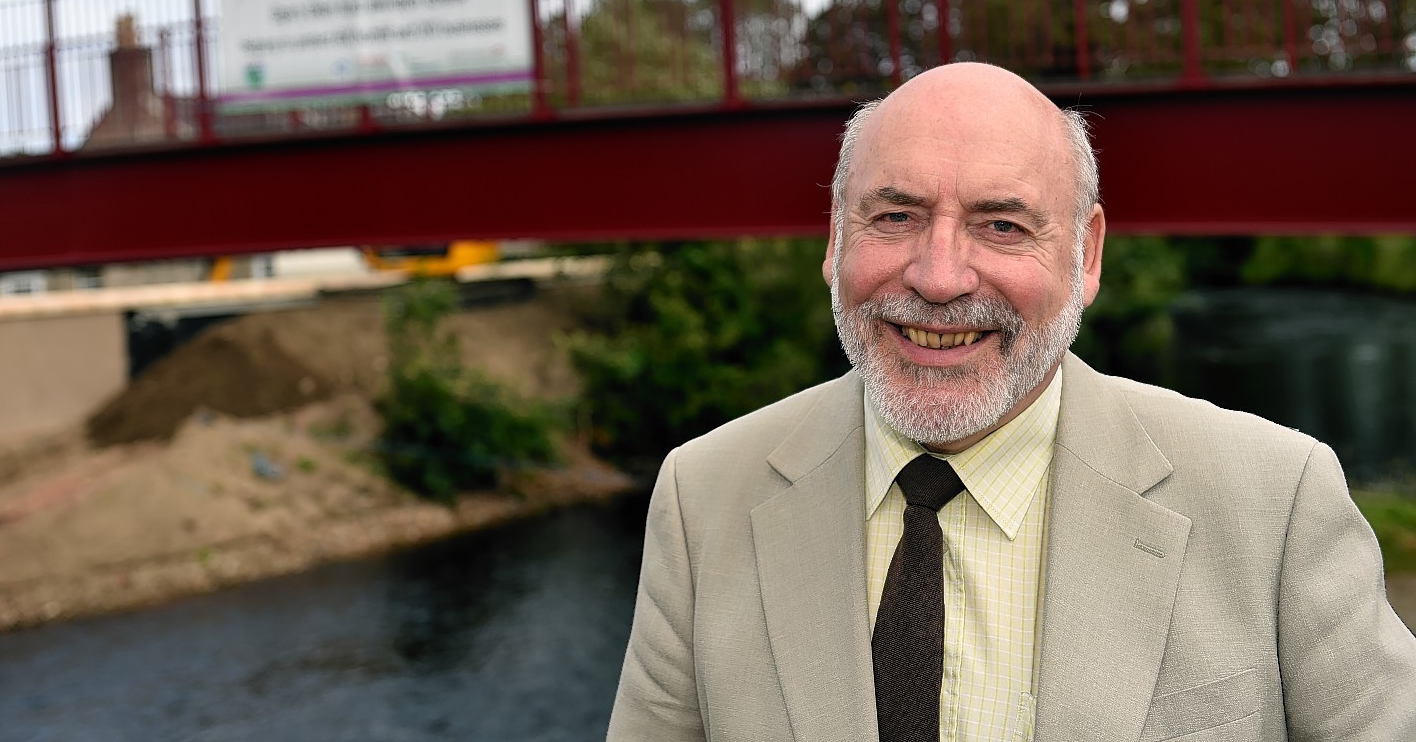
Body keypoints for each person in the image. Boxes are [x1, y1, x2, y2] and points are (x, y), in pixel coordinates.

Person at [606, 62, 1416, 742]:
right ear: (834, 240)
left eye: (1001, 226)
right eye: (895, 216)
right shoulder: (701, 494)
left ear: (1087, 254)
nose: (939, 276)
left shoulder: (1276, 499)